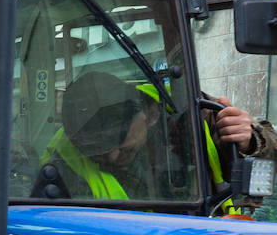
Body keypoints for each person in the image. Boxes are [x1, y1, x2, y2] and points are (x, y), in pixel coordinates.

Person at [38, 71, 275, 201]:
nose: (112, 156)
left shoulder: (192, 112)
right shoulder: (61, 158)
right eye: (98, 152)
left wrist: (251, 141)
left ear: (149, 115)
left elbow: (272, 161)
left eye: (123, 147)